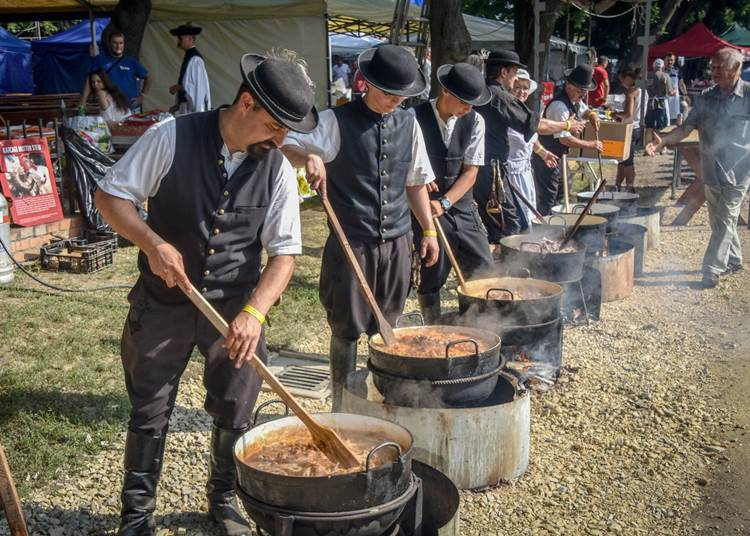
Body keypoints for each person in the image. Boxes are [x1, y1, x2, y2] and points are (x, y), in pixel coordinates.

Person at [94, 50, 318, 535]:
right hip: (164, 301)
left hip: (236, 306)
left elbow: (284, 255)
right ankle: (136, 519)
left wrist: (255, 312)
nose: (282, 140)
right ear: (245, 104)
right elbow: (110, 195)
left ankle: (222, 501)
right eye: (276, 127)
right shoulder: (172, 136)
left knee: (236, 406)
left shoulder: (277, 167)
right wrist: (152, 242)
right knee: (149, 407)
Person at [282, 45, 439, 410]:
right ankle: (341, 405)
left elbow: (415, 182)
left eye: (402, 95)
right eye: (388, 93)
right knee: (346, 327)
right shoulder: (336, 121)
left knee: (389, 324)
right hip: (352, 240)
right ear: (366, 83)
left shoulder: (409, 122)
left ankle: (378, 399)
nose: (395, 101)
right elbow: (285, 141)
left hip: (397, 240)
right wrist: (308, 157)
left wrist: (427, 232)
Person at [647, 48, 750, 289]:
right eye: (711, 67)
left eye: (718, 68)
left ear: (736, 69)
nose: (712, 72)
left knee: (726, 216)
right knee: (719, 218)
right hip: (710, 168)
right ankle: (734, 259)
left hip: (739, 169)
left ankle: (711, 269)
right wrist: (662, 140)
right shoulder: (705, 96)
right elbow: (686, 128)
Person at [409, 62, 493, 322]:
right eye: (464, 101)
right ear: (445, 91)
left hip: (460, 204)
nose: (469, 108)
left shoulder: (475, 121)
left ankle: (475, 324)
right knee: (433, 268)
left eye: (472, 103)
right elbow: (408, 167)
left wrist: (445, 202)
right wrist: (424, 180)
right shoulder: (413, 117)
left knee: (483, 266)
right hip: (425, 206)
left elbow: (470, 172)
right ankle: (432, 327)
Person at [474, 50, 585, 242]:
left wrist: (541, 151)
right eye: (514, 73)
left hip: (481, 167)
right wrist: (566, 125)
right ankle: (507, 266)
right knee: (509, 225)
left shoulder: (481, 91)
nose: (515, 79)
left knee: (498, 221)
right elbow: (536, 125)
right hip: (492, 170)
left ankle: (496, 259)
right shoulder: (500, 97)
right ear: (504, 72)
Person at [534, 64, 603, 216]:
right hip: (546, 156)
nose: (583, 94)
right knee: (549, 196)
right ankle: (545, 226)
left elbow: (584, 110)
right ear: (569, 86)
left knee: (561, 192)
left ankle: (558, 223)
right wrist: (590, 144)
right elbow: (564, 139)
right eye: (580, 90)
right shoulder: (559, 106)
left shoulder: (575, 100)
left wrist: (592, 115)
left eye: (585, 91)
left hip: (558, 156)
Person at [507, 69, 558, 227]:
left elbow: (532, 138)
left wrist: (543, 153)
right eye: (518, 87)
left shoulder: (525, 112)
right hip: (510, 173)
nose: (522, 92)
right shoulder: (506, 111)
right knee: (516, 215)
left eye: (525, 88)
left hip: (525, 172)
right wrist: (567, 125)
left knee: (529, 213)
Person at [80, 32, 149, 112]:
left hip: (131, 107)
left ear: (124, 44)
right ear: (109, 44)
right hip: (110, 107)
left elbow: (148, 77)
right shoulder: (100, 60)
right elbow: (89, 80)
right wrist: (83, 100)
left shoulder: (131, 61)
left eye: (121, 43)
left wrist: (143, 96)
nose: (118, 46)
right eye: (115, 43)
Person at [613, 65, 646, 193]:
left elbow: (628, 114)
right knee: (622, 159)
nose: (622, 83)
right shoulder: (643, 90)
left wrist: (616, 114)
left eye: (622, 80)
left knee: (627, 160)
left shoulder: (631, 92)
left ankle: (630, 188)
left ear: (629, 78)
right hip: (637, 127)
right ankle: (617, 185)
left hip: (630, 129)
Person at [169, 23, 211, 115]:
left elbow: (197, 87)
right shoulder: (189, 57)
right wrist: (177, 105)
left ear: (190, 39)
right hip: (186, 107)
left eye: (181, 38)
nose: (178, 42)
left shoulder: (195, 60)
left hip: (192, 109)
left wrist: (178, 87)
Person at [644, 58, 675, 139]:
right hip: (661, 104)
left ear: (654, 66)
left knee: (649, 127)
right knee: (659, 128)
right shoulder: (665, 76)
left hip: (649, 104)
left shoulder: (647, 75)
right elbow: (670, 93)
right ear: (662, 66)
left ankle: (647, 146)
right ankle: (658, 147)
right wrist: (674, 91)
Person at [664, 52, 688, 124]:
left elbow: (681, 83)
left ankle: (679, 128)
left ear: (674, 61)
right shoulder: (661, 70)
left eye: (671, 60)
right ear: (664, 60)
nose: (670, 62)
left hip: (675, 98)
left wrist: (685, 94)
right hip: (664, 96)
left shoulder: (677, 70)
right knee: (665, 114)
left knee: (678, 113)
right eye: (668, 60)